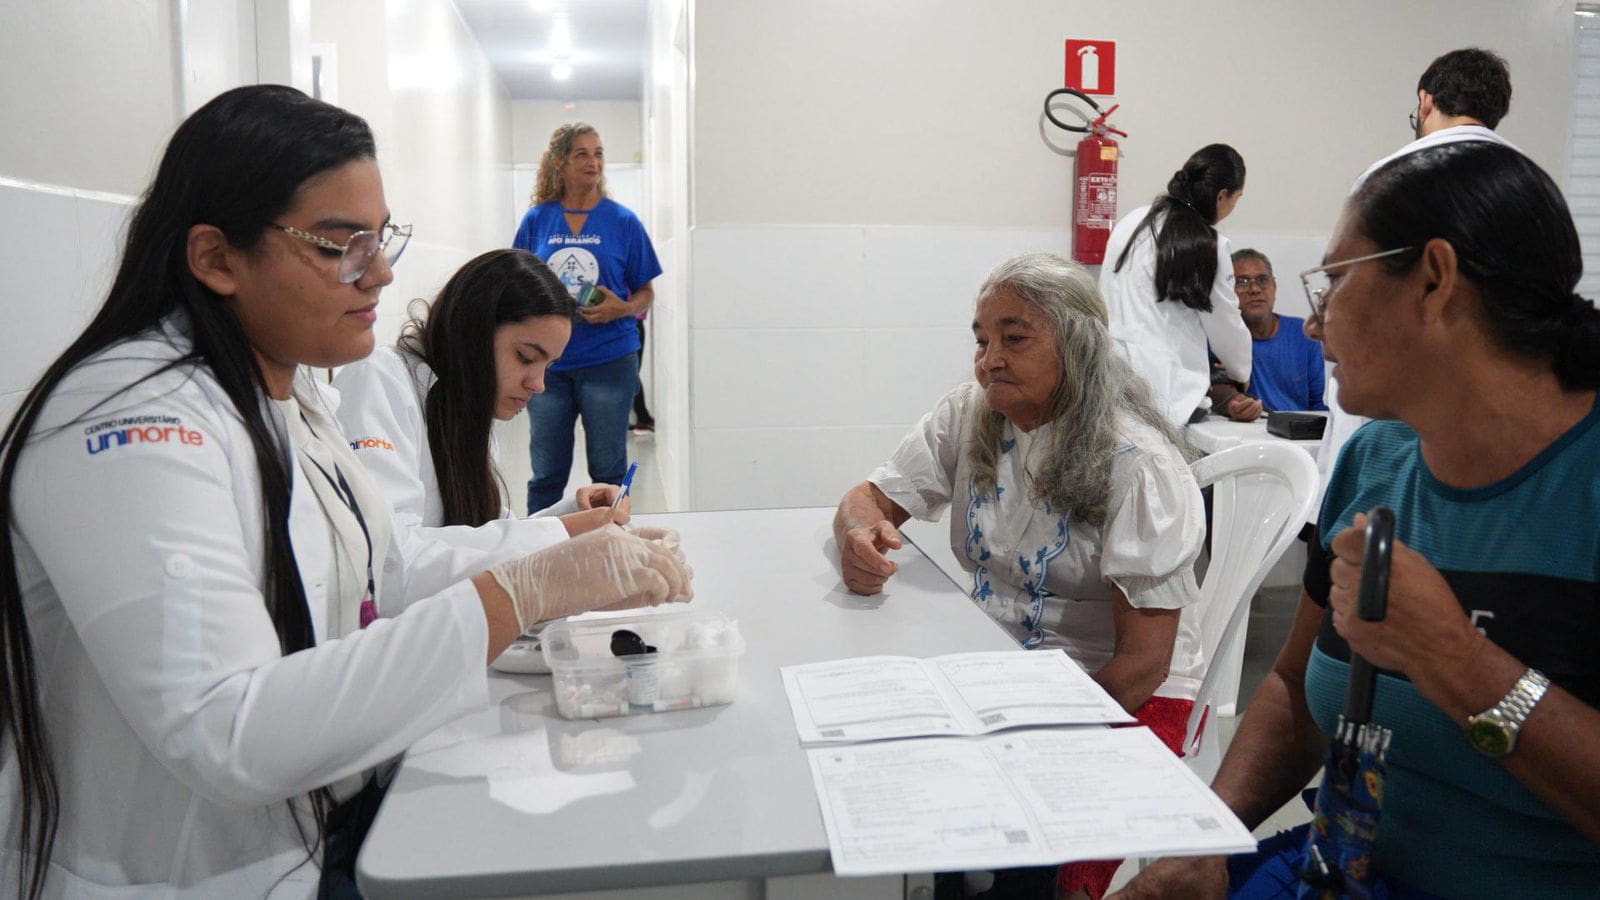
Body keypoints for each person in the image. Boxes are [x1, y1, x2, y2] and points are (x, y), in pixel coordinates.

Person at [0, 85, 693, 898]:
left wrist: (559, 549)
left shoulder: (288, 398)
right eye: (340, 245)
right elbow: (229, 728)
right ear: (217, 257)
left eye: (380, 237)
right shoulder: (128, 422)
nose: (383, 271)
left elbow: (384, 567)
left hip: (306, 831)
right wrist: (520, 590)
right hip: (172, 876)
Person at [1115, 143, 1600, 899]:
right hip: (1347, 869)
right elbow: (1292, 687)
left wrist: (1460, 663)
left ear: (1435, 280)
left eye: (1335, 282)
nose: (1314, 325)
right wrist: (1209, 834)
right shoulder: (1377, 462)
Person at [835, 253, 1206, 900]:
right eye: (981, 341)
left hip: (1114, 689)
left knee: (1023, 855)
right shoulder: (973, 413)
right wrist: (858, 534)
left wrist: (1027, 740)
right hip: (1002, 674)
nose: (989, 360)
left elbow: (1144, 664)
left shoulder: (1136, 462)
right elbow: (869, 496)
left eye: (1015, 338)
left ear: (1079, 345)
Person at [333, 248, 627, 580]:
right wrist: (562, 532)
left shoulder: (467, 410)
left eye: (549, 366)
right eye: (526, 357)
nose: (539, 384)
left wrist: (575, 513)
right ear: (472, 332)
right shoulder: (378, 379)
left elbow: (483, 536)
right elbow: (391, 561)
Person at [1313, 48, 1519, 509]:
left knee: (1370, 541)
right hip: (1491, 410)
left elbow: (1350, 292)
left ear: (1426, 102)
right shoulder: (1528, 181)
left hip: (1396, 402)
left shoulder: (1390, 177)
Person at [514, 123, 662, 514]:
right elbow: (517, 281)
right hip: (550, 368)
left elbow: (647, 291)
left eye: (598, 153)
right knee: (546, 473)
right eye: (582, 153)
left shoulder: (623, 221)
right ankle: (538, 549)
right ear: (559, 162)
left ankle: (612, 547)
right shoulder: (537, 220)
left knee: (608, 471)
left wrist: (625, 308)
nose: (593, 161)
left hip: (609, 360)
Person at [1100, 144, 1252, 429]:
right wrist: (1241, 370)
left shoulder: (1131, 222)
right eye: (1237, 198)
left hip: (1110, 381)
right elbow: (1226, 323)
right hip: (1168, 393)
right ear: (1222, 196)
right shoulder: (1209, 244)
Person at [1206, 248, 1326, 421]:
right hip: (1248, 435)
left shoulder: (1304, 334)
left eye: (1262, 280)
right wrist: (1234, 402)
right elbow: (1213, 388)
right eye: (1242, 281)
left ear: (1274, 287)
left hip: (1301, 437)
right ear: (1227, 292)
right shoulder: (1220, 337)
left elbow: (1317, 404)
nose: (1254, 289)